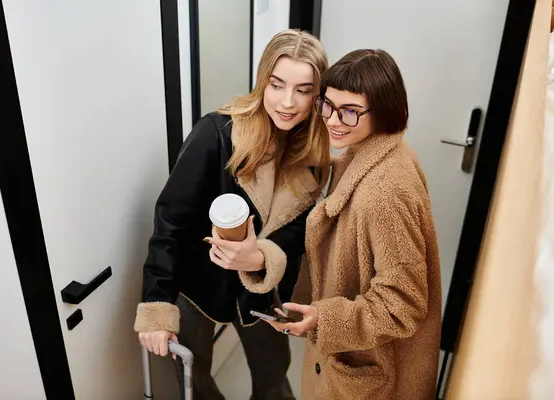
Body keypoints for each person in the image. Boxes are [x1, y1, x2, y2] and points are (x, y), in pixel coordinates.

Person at [133, 29, 330, 400]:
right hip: (197, 288)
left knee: (274, 379)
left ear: (316, 96)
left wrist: (260, 258)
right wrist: (157, 304)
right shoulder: (217, 134)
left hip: (264, 296)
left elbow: (295, 237)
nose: (287, 102)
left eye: (303, 90)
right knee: (196, 381)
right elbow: (170, 223)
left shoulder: (315, 158)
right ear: (262, 83)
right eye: (277, 85)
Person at [241, 49, 442, 399]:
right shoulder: (373, 154)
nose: (333, 120)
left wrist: (324, 319)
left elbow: (403, 304)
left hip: (374, 376)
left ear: (383, 110)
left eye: (350, 111)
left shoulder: (384, 192)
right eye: (328, 105)